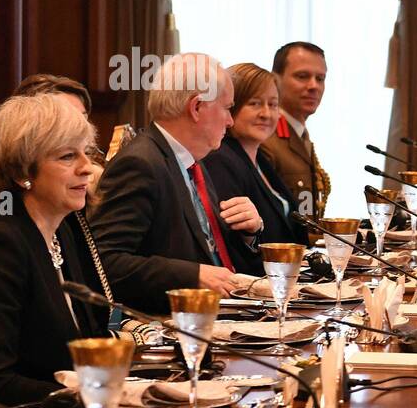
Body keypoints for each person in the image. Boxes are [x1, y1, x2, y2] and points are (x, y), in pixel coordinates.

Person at [0, 94, 112, 406]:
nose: (87, 168)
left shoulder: (64, 226)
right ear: (22, 173)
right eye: (68, 156)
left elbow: (91, 335)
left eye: (87, 152)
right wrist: (86, 397)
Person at [90, 53, 263, 313]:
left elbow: (211, 253)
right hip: (170, 325)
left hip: (221, 313)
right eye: (227, 108)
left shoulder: (193, 160)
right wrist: (191, 276)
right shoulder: (141, 164)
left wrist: (249, 234)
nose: (230, 121)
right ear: (196, 107)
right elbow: (105, 262)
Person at [202, 63, 309, 247]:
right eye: (255, 103)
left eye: (273, 104)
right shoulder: (220, 159)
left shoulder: (260, 160)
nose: (266, 114)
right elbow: (233, 244)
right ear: (231, 107)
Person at [261, 41, 331, 219]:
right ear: (275, 81)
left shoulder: (300, 134)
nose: (313, 86)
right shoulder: (266, 138)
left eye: (320, 79)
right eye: (302, 76)